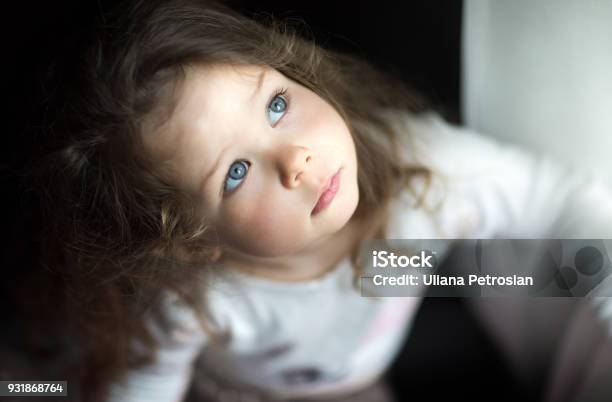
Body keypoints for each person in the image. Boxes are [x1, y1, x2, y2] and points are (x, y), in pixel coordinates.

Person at [24, 0, 612, 401]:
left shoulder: (424, 173)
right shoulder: (201, 301)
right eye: (234, 172)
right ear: (196, 240)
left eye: (276, 105)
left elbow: (555, 197)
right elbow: (143, 385)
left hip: (365, 351)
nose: (296, 159)